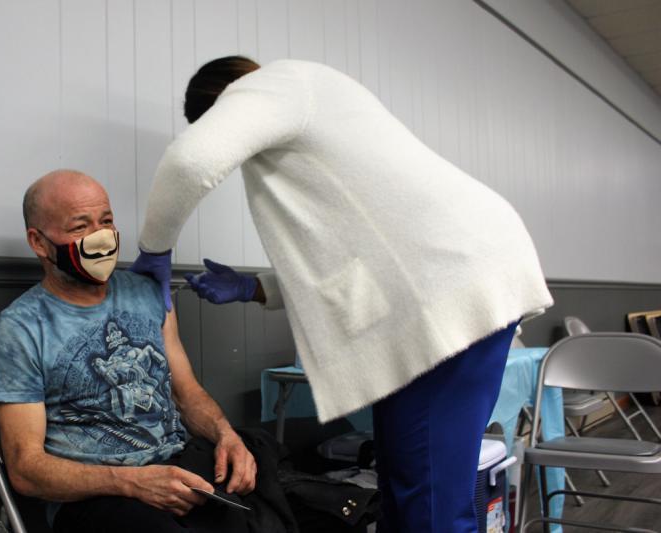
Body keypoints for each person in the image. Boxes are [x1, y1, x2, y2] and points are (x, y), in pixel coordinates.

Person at [129, 56, 554, 532]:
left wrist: (155, 251)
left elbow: (191, 161)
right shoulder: (320, 113)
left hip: (452, 285)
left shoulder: (278, 83)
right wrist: (254, 288)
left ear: (226, 101)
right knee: (399, 481)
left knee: (429, 501)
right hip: (446, 281)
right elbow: (354, 257)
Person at [0, 170, 259, 533]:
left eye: (106, 221)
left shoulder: (149, 294)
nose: (101, 236)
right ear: (39, 242)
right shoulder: (21, 328)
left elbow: (186, 394)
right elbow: (26, 469)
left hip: (178, 470)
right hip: (98, 498)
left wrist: (225, 435)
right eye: (81, 226)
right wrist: (131, 482)